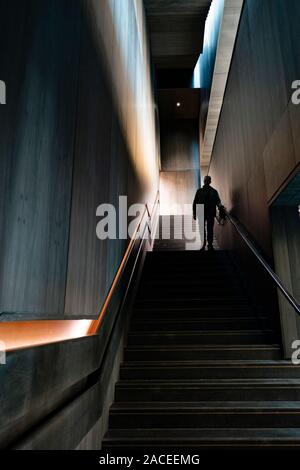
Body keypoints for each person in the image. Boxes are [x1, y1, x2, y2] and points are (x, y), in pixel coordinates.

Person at [193, 176, 222, 251]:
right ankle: (203, 244)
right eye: (205, 180)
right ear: (204, 181)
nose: (206, 182)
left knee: (210, 229)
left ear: (210, 182)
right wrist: (194, 213)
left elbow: (218, 201)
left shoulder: (214, 191)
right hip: (201, 211)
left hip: (210, 212)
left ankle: (210, 244)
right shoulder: (199, 191)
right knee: (201, 229)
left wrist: (220, 207)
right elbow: (195, 202)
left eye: (208, 180)